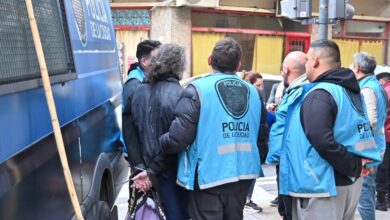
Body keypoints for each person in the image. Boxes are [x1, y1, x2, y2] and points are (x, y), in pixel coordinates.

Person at [159, 37, 266, 220]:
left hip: (208, 177)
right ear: (239, 64)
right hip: (243, 175)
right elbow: (261, 135)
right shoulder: (253, 92)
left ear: (210, 60)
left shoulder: (197, 90)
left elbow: (178, 138)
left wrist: (161, 142)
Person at [281, 39, 381, 220]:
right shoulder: (350, 91)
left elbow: (322, 140)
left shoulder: (319, 94)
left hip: (321, 186)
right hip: (347, 184)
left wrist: (354, 166)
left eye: (308, 61)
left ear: (316, 61)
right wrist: (356, 166)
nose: (306, 67)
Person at [130, 43, 188, 220]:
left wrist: (141, 168)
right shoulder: (180, 93)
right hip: (170, 174)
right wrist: (151, 172)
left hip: (142, 173)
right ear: (179, 66)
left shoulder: (139, 90)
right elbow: (179, 140)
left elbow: (130, 134)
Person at [266, 51, 308, 220]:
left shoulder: (299, 92)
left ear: (287, 70)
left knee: (290, 213)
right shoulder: (298, 90)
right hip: (292, 165)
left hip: (292, 166)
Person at [352, 52, 387, 220]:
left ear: (357, 67)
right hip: (376, 145)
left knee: (364, 195)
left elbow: (371, 121)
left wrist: (363, 152)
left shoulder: (367, 89)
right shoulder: (376, 85)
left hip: (368, 149)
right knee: (368, 191)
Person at [122, 40, 161, 170]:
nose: (161, 62)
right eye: (157, 58)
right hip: (139, 156)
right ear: (144, 62)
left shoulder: (147, 78)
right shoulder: (134, 85)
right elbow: (130, 127)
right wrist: (139, 164)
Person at [242, 71, 267, 213]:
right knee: (250, 173)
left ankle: (248, 198)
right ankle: (246, 200)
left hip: (259, 141)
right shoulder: (250, 98)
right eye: (258, 85)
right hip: (253, 142)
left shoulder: (256, 97)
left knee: (253, 173)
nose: (261, 88)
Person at [375, 72, 390, 211]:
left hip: (386, 136)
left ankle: (381, 202)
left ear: (382, 81)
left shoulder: (384, 92)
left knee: (382, 168)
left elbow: (381, 116)